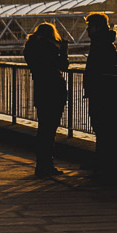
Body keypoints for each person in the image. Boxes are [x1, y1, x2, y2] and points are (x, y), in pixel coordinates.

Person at [23, 21, 69, 176]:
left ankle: (41, 165)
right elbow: (63, 65)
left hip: (41, 91)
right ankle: (47, 165)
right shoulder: (49, 48)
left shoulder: (30, 49)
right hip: (54, 90)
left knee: (43, 128)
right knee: (50, 130)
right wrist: (63, 50)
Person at [82, 13, 117, 174]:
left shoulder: (100, 45)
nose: (87, 30)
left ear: (97, 27)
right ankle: (103, 161)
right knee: (101, 127)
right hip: (101, 92)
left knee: (101, 126)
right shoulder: (104, 43)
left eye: (89, 26)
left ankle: (103, 162)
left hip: (100, 93)